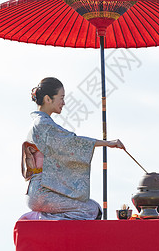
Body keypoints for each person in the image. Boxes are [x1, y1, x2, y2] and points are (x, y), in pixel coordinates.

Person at [20, 77, 126, 220]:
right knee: (91, 210)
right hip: (42, 191)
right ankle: (39, 218)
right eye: (61, 98)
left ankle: (42, 216)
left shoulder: (43, 123)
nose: (63, 102)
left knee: (93, 208)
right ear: (48, 99)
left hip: (43, 188)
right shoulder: (42, 124)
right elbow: (72, 142)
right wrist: (107, 143)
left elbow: (69, 143)